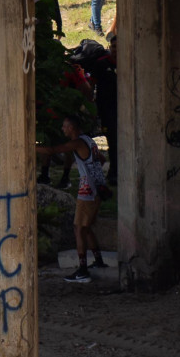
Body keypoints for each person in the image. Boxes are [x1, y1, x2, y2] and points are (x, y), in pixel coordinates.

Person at [37, 117, 105, 282]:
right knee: (86, 227)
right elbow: (101, 160)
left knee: (78, 228)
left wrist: (30, 147)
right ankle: (98, 261)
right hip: (97, 188)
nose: (62, 129)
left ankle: (82, 270)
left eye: (64, 126)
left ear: (72, 128)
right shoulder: (89, 140)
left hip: (87, 190)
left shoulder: (77, 143)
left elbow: (53, 150)